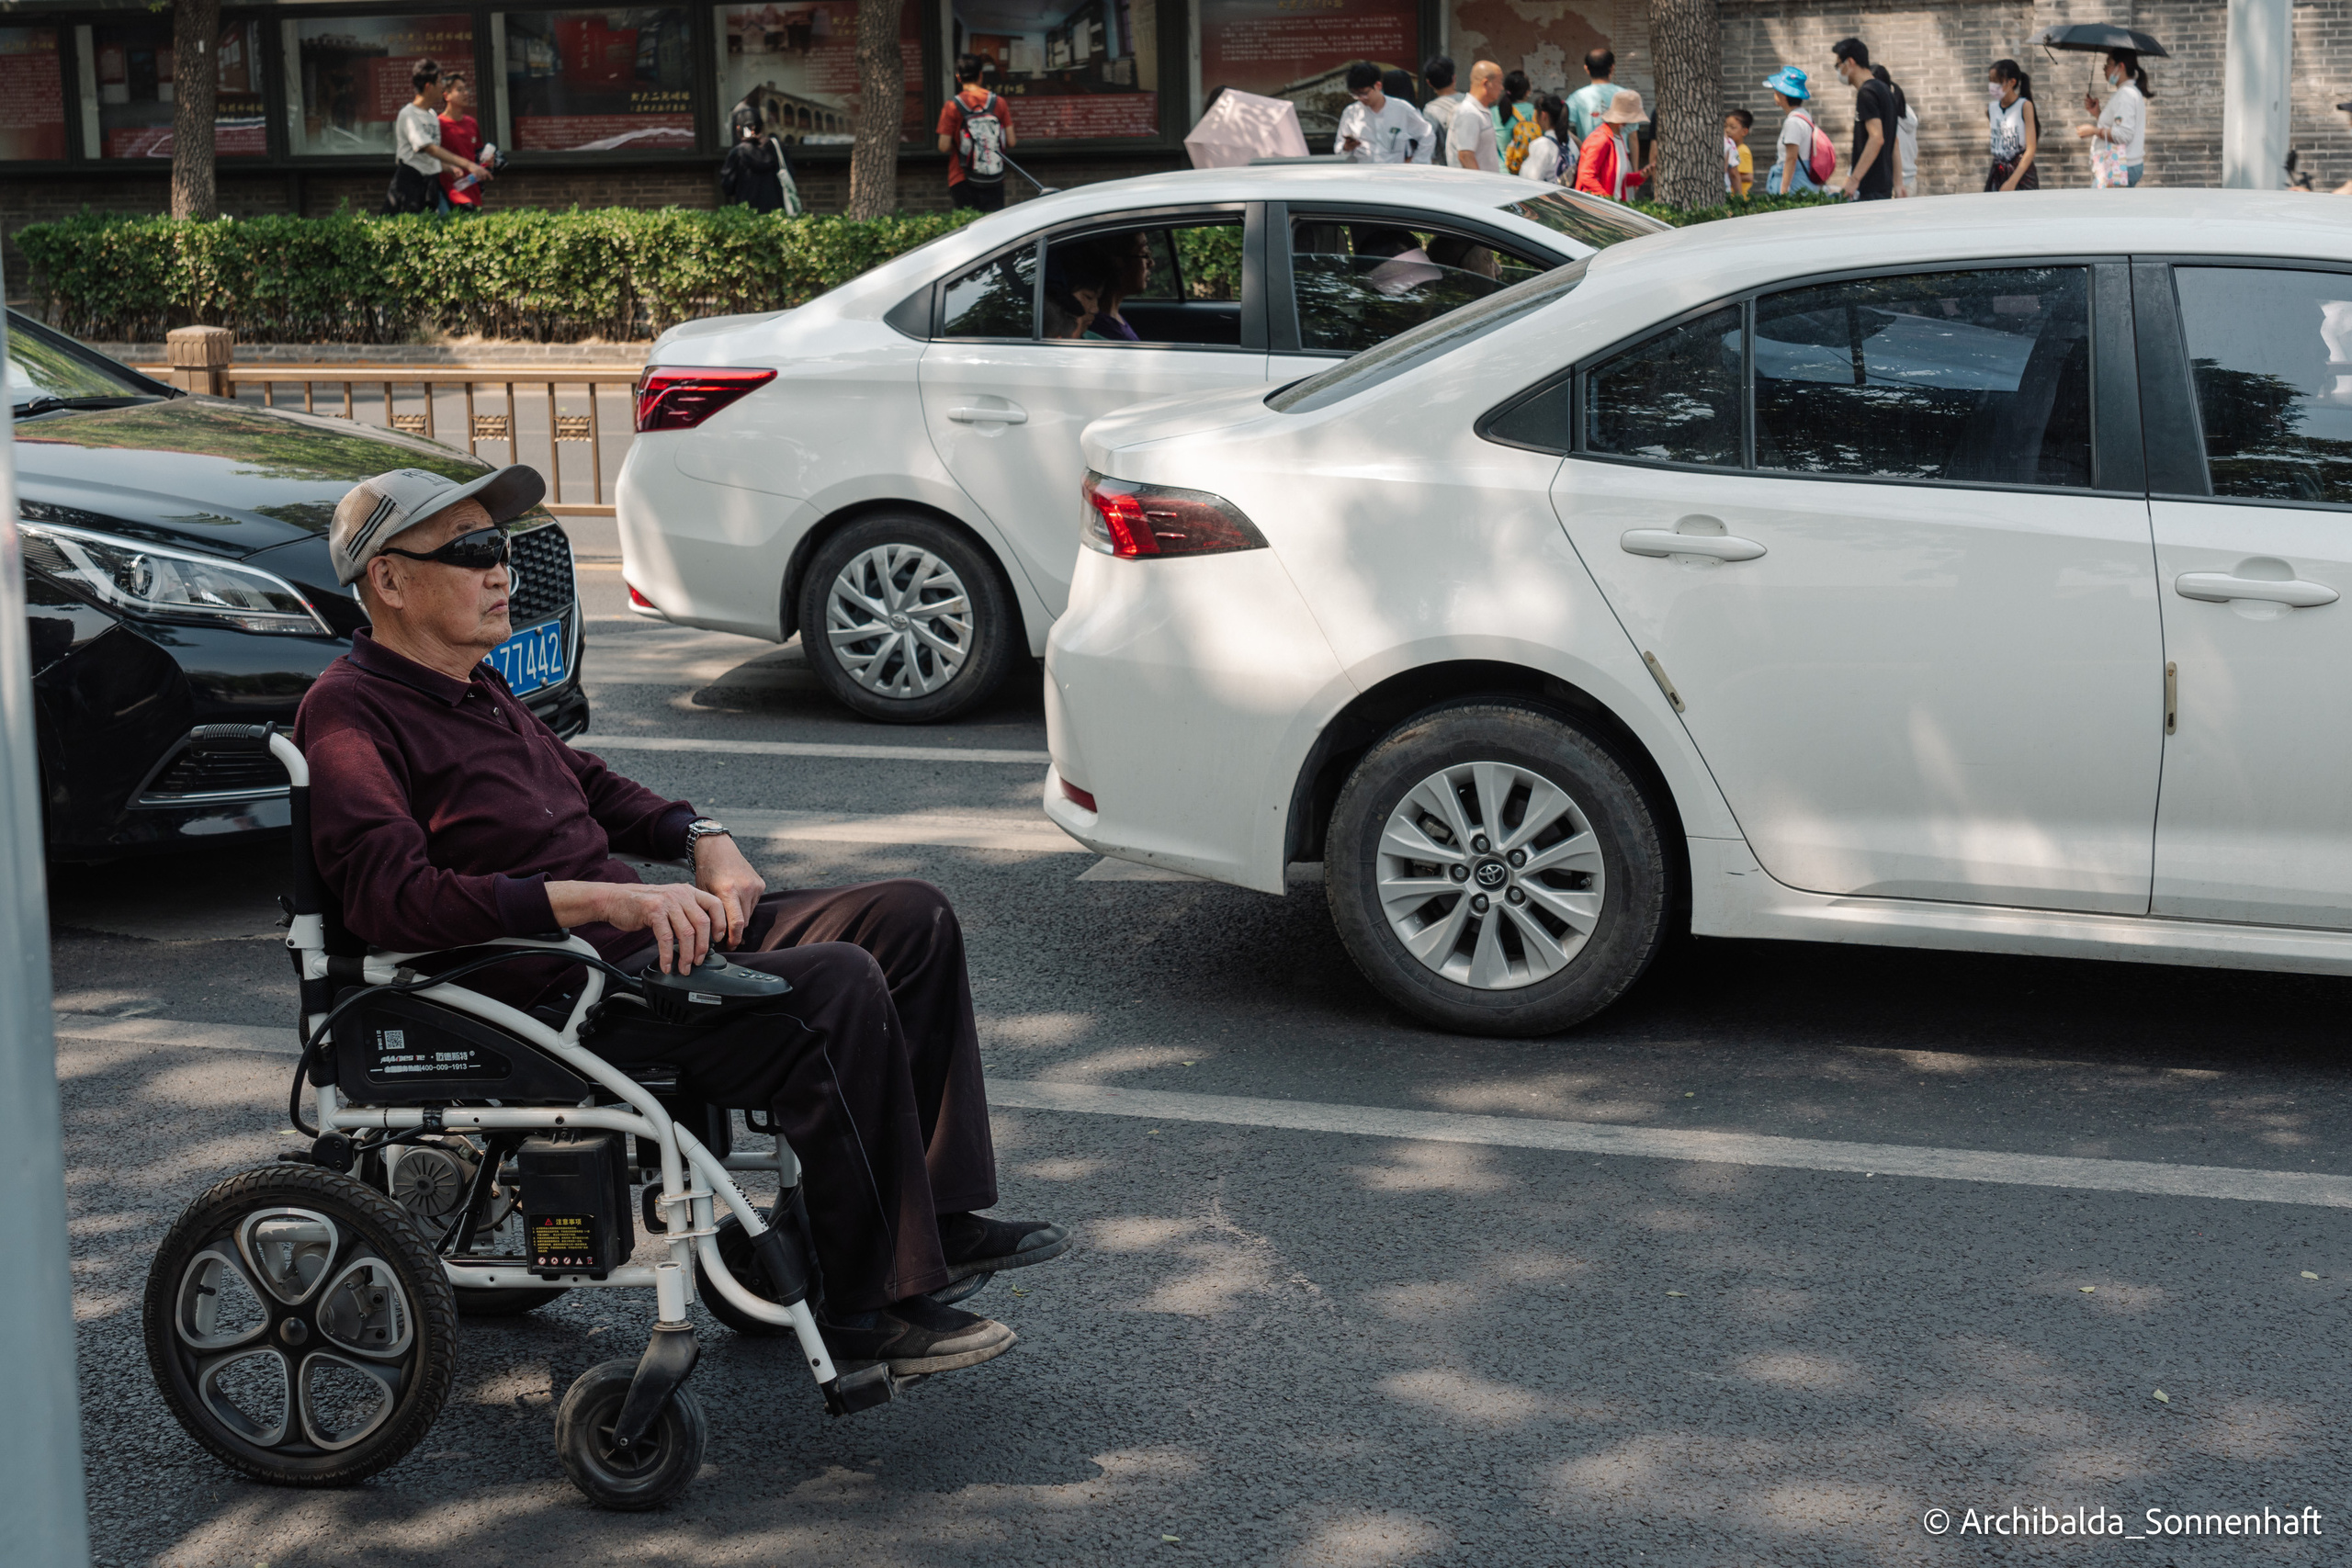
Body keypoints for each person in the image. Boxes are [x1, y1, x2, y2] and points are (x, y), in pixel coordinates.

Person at [300, 466, 1070, 1375]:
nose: (498, 569)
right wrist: (607, 899)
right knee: (835, 988)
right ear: (387, 579)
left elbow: (587, 788)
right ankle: (872, 1305)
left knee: (908, 918)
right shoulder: (350, 712)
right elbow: (393, 900)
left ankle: (933, 1218)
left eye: (497, 547)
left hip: (633, 944)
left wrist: (701, 835)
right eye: (470, 552)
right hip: (554, 991)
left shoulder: (473, 685)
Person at [384, 60, 487, 216]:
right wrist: (469, 165)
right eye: (439, 82)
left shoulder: (432, 116)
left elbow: (431, 159)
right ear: (428, 86)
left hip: (430, 183)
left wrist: (449, 168)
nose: (442, 86)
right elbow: (430, 149)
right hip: (409, 183)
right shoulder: (408, 114)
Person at [937, 55, 1015, 213]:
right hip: (993, 178)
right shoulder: (998, 102)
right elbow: (1011, 141)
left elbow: (943, 146)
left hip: (962, 177)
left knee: (968, 229)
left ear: (958, 77)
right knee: (994, 228)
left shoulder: (952, 106)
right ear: (981, 74)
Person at [1831, 38, 1899, 200]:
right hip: (1884, 186)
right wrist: (1898, 183)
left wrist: (1854, 180)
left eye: (1838, 65)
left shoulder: (1866, 93)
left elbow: (1877, 138)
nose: (1838, 71)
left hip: (1871, 188)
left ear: (1850, 62)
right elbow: (1893, 140)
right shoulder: (1884, 89)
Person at [2074, 49, 2151, 188]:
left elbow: (2123, 135)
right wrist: (2098, 114)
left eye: (2108, 64)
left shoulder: (2126, 95)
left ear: (2120, 67)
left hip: (2119, 168)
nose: (2104, 68)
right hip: (2120, 165)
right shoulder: (2128, 92)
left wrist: (2093, 131)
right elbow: (2119, 127)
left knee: (2099, 208)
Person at [1336, 61, 1433, 164]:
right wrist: (1346, 147)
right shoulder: (1351, 113)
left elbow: (1427, 135)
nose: (1360, 98)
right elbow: (1338, 148)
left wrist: (1416, 162)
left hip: (1394, 174)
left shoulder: (1402, 109)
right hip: (1363, 174)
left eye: (1364, 93)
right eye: (1355, 94)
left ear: (1378, 86)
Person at [719, 103, 797, 213]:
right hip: (778, 215)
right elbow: (791, 175)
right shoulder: (777, 147)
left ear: (738, 129)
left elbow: (728, 187)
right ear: (761, 126)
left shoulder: (737, 153)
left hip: (748, 216)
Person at [1573, 88, 1647, 200]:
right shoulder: (1600, 139)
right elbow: (1586, 176)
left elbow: (1618, 179)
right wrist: (1607, 200)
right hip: (1597, 209)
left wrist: (1640, 176)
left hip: (1610, 207)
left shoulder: (1618, 138)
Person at [435, 73, 492, 214]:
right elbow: (431, 158)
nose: (466, 93)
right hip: (450, 194)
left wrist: (488, 162)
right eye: (459, 90)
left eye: (466, 89)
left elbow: (477, 155)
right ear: (446, 95)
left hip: (473, 193)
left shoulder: (472, 123)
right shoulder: (438, 124)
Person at [1762, 67, 1824, 194]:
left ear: (1783, 95)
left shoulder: (1793, 122)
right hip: (1804, 183)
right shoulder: (1804, 116)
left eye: (1776, 91)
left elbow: (1791, 158)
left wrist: (1783, 191)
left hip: (1796, 186)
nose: (1774, 94)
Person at [1987, 58, 2039, 191]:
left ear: (2012, 82)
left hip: (2021, 172)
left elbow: (2031, 149)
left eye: (1997, 81)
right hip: (1998, 171)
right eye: (1991, 81)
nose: (1993, 85)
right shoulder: (1991, 108)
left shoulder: (2024, 106)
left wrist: (2012, 181)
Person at [1448, 61, 1505, 172]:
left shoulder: (1481, 111)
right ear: (1486, 83)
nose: (1502, 88)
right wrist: (1481, 185)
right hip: (1474, 187)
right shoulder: (1469, 113)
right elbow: (1465, 156)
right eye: (1499, 82)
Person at [1874, 63, 1919, 196]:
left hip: (1895, 183)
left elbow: (1892, 142)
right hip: (1910, 180)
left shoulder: (1884, 112)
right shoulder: (1905, 109)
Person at [1566, 47, 1617, 145]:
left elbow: (1561, 125)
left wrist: (1582, 147)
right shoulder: (1624, 94)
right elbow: (1632, 136)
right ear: (1612, 68)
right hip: (1620, 157)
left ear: (1586, 68)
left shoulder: (1576, 97)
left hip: (1590, 156)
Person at [1520, 93, 1572, 184]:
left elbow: (1529, 179)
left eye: (1535, 113)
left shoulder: (1542, 145)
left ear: (1543, 115)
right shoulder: (1570, 142)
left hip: (1546, 195)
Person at [1420, 56, 1464, 161]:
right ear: (1454, 78)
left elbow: (1429, 144)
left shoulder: (1430, 110)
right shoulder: (1471, 101)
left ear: (1429, 83)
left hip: (1447, 169)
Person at [1496, 68, 1538, 174]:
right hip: (1530, 174)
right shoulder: (1537, 112)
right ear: (1527, 92)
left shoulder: (1493, 112)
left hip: (1502, 173)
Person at [1724, 107, 1755, 197]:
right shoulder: (1733, 148)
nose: (1727, 130)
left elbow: (1749, 177)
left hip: (1739, 196)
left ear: (1744, 131)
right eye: (1725, 126)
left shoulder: (1742, 150)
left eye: (1733, 127)